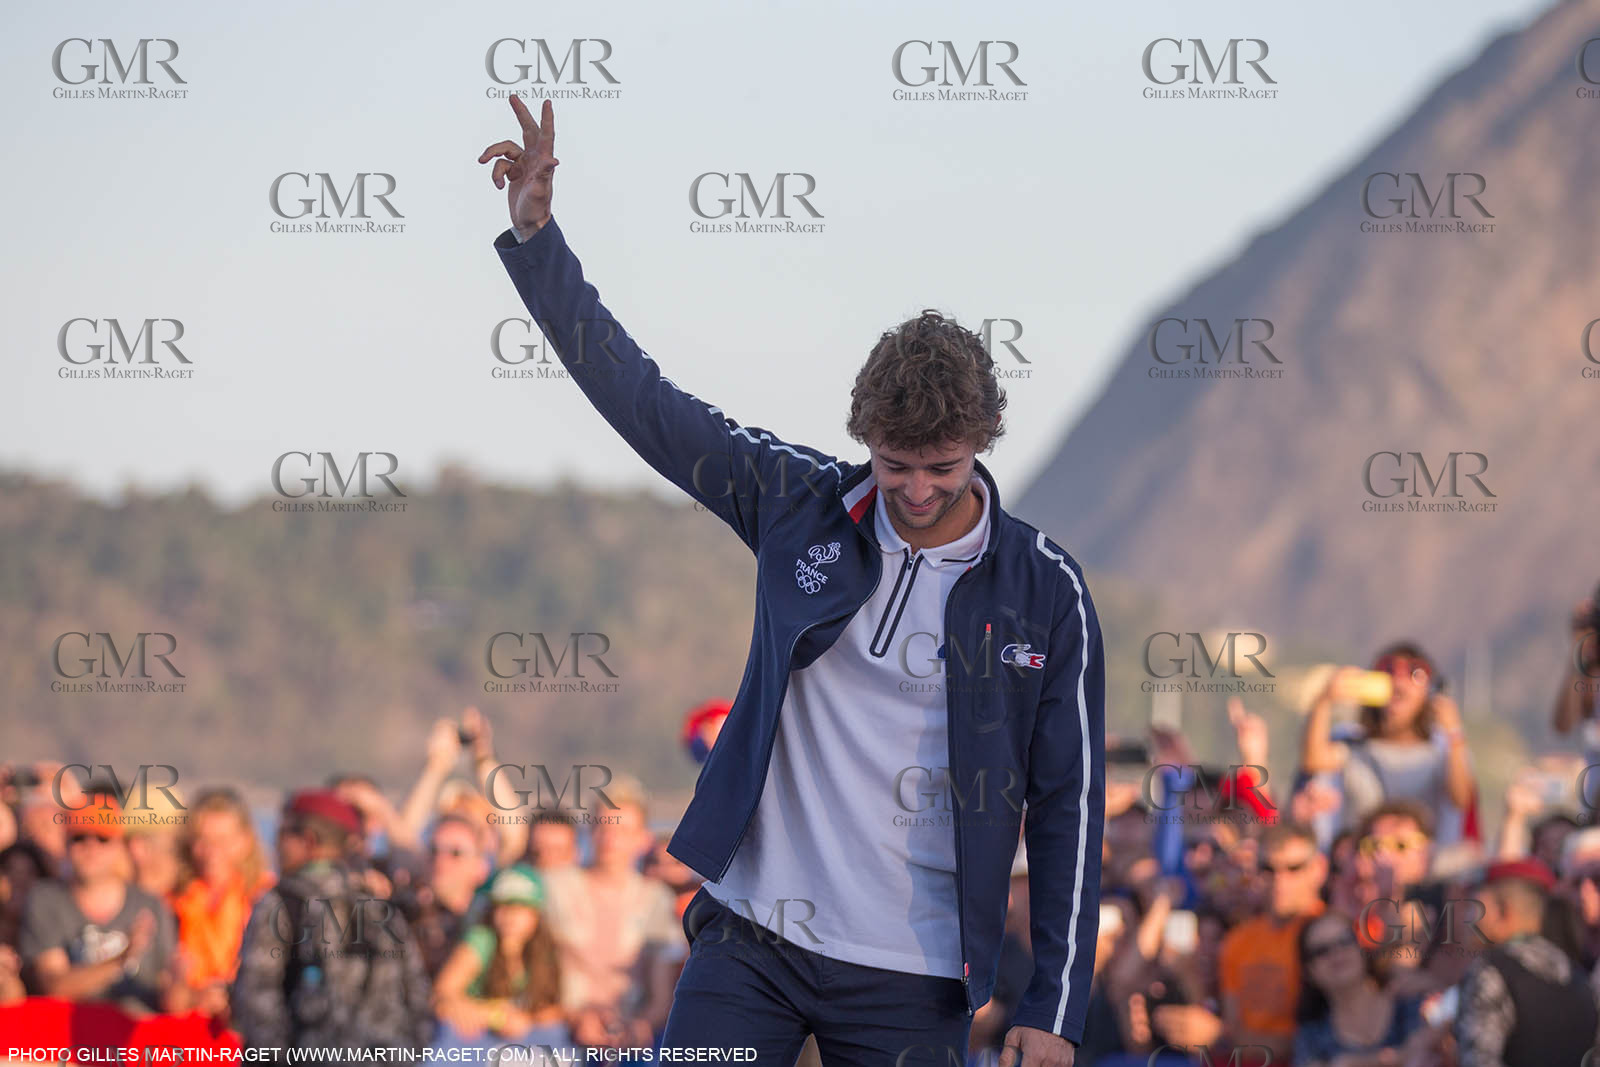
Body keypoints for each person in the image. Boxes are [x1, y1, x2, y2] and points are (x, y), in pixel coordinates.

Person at [480, 95, 1106, 1067]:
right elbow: (644, 401)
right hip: (753, 934)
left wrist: (1053, 1007)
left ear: (980, 446)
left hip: (913, 964)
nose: (916, 490)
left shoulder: (1043, 587)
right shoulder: (797, 498)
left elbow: (1068, 800)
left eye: (940, 467)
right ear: (867, 439)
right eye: (895, 464)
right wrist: (538, 240)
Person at [231, 789, 433, 1052]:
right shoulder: (382, 909)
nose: (275, 846)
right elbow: (418, 999)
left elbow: (255, 998)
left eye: (282, 835)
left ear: (308, 841)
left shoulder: (281, 903)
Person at [1300, 644, 1476, 848]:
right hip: (1362, 863)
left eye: (1414, 672)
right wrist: (1324, 700)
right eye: (1388, 670)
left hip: (1421, 869)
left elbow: (1461, 799)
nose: (1398, 680)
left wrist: (1454, 733)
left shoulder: (1441, 750)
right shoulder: (1354, 744)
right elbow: (1313, 761)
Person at [17, 798, 179, 1014]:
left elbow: (169, 990)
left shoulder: (151, 905)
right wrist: (122, 959)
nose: (90, 847)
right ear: (66, 843)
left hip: (136, 1042)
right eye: (80, 837)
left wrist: (189, 987)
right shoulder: (45, 900)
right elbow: (54, 984)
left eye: (102, 838)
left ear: (119, 845)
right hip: (72, 1042)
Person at [1455, 858, 1600, 1067]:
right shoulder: (1575, 974)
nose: (1467, 918)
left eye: (1474, 906)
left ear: (1502, 911)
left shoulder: (1490, 972)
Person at [1216, 822, 1327, 1063]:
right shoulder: (1238, 940)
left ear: (1318, 869)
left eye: (1294, 868)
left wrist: (1217, 1035)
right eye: (1269, 869)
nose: (1280, 881)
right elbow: (1234, 1026)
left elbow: (1319, 1041)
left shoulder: (1332, 938)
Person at [432, 864, 568, 1054]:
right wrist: (494, 1016)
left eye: (520, 907)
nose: (511, 916)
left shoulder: (544, 951)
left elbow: (554, 1010)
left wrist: (526, 1020)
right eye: (503, 906)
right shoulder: (482, 940)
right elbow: (442, 994)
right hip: (475, 1046)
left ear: (536, 914)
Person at [170, 787, 274, 1014]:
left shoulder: (267, 897)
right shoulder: (172, 899)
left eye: (223, 841)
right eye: (202, 841)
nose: (212, 852)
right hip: (185, 1028)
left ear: (246, 841)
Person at [1292, 912, 1441, 1067]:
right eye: (1321, 951)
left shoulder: (1408, 1002)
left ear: (1361, 947)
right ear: (1309, 971)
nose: (1336, 953)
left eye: (1344, 941)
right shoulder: (1311, 1036)